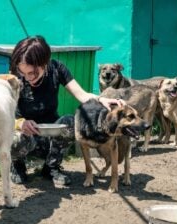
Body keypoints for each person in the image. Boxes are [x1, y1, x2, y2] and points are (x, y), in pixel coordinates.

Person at [8, 35, 122, 187]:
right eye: (24, 73)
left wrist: (101, 99)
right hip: (25, 135)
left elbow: (82, 95)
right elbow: (4, 113)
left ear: (45, 63)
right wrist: (20, 123)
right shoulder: (14, 76)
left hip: (48, 134)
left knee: (70, 122)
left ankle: (51, 167)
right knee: (16, 139)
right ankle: (17, 165)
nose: (27, 78)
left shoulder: (56, 68)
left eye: (33, 73)